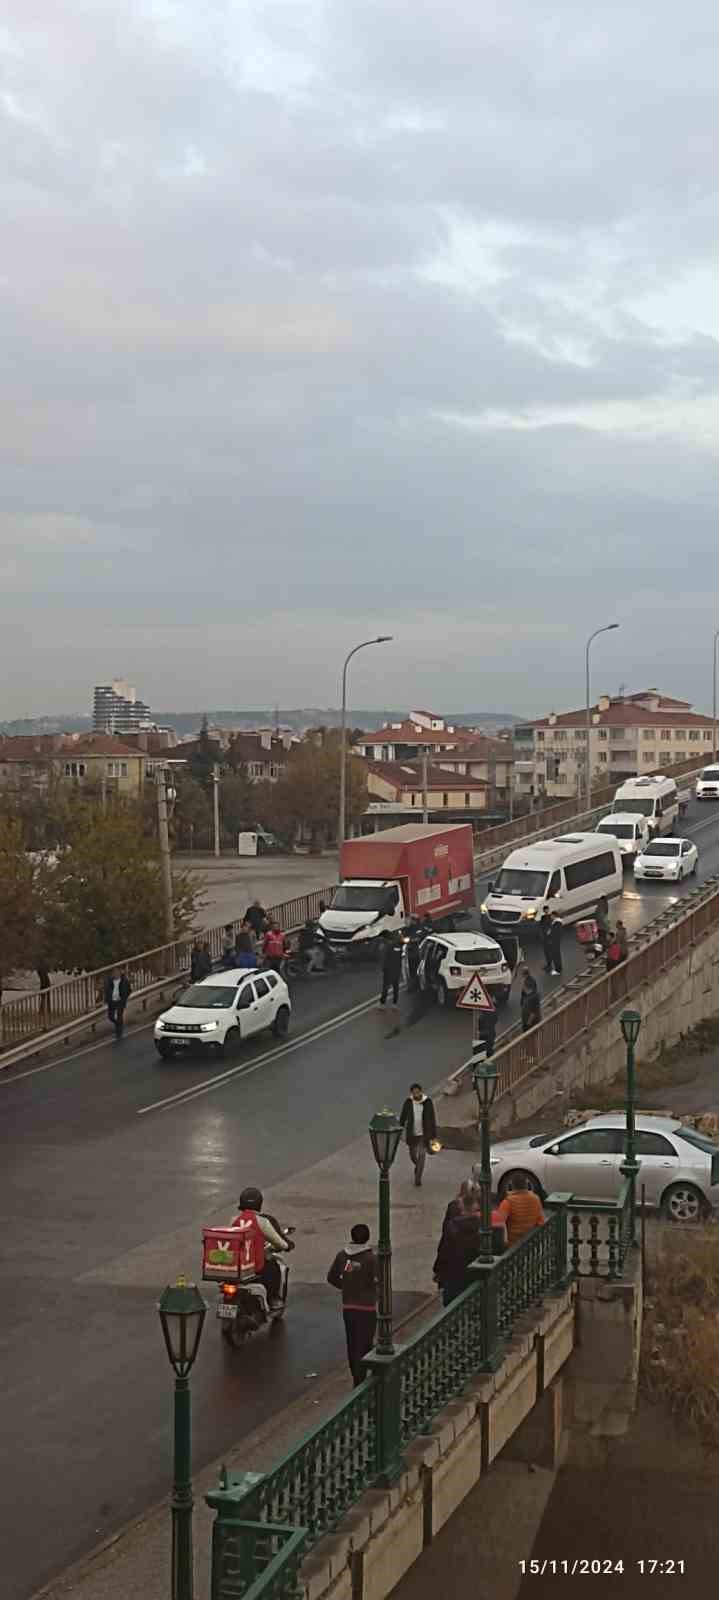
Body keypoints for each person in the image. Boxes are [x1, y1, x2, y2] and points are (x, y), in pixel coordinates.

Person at [433, 1191, 506, 1305]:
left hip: (455, 1275)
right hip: (476, 1276)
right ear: (476, 1207)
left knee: (453, 1306)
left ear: (461, 1208)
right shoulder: (485, 1227)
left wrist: (438, 1271)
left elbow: (444, 1252)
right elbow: (498, 1249)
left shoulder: (452, 1227)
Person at [327, 1223, 378, 1386]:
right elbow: (379, 1281)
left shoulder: (342, 1256)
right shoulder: (371, 1258)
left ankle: (356, 1376)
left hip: (349, 1308)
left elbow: (331, 1277)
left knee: (352, 1343)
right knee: (366, 1342)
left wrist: (346, 1288)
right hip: (367, 1308)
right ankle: (363, 1376)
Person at [230, 1186, 293, 1310]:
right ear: (259, 1204)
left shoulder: (234, 1220)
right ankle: (273, 1298)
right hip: (254, 1267)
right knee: (273, 1266)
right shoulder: (262, 1222)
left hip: (236, 1266)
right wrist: (286, 1246)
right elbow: (279, 1242)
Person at [399, 1082, 438, 1186]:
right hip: (412, 1134)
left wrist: (433, 1135)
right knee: (412, 1155)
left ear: (421, 1091)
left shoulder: (427, 1102)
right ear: (412, 1093)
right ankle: (418, 1165)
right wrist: (399, 1127)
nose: (416, 1094)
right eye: (414, 1092)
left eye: (418, 1092)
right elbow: (403, 1116)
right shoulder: (408, 1102)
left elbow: (432, 1119)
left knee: (422, 1155)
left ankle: (418, 1179)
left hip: (424, 1135)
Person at [496, 1173, 545, 1248]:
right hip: (530, 1242)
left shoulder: (508, 1202)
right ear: (526, 1185)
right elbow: (541, 1221)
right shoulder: (536, 1199)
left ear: (512, 1186)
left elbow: (499, 1224)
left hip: (513, 1245)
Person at [379, 931, 403, 1008]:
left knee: (385, 987)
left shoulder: (387, 947)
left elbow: (385, 959)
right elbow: (400, 956)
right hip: (397, 969)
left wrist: (383, 969)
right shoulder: (398, 946)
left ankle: (382, 1004)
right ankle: (395, 1004)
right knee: (396, 987)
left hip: (388, 970)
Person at [104, 968, 131, 1037]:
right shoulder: (109, 981)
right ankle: (118, 1024)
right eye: (114, 973)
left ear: (119, 973)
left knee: (119, 1015)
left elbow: (129, 990)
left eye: (117, 973)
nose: (115, 974)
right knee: (110, 1016)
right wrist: (107, 999)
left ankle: (119, 1031)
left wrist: (124, 997)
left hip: (120, 1001)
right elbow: (107, 991)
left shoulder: (124, 981)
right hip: (112, 1001)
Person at [520, 967, 541, 1031]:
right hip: (527, 1020)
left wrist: (528, 1024)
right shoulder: (528, 995)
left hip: (531, 1023)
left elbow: (534, 1012)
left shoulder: (533, 998)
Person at [546, 912, 563, 977]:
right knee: (556, 955)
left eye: (551, 916)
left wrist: (549, 934)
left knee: (556, 955)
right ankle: (557, 969)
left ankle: (558, 970)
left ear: (554, 916)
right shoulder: (555, 922)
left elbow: (555, 933)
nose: (551, 917)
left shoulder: (557, 923)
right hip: (554, 941)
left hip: (554, 941)